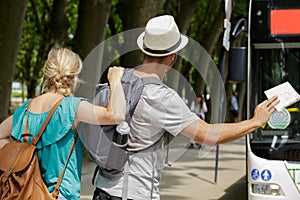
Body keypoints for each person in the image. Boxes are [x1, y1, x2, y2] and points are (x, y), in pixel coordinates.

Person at [92, 15, 279, 200]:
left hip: (102, 189)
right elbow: (209, 135)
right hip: (134, 193)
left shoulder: (118, 80)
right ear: (172, 57)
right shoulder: (161, 97)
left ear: (144, 51)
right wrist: (255, 122)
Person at [0, 47, 126, 200]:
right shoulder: (72, 108)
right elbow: (116, 115)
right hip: (59, 194)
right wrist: (115, 80)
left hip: (25, 192)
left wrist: (19, 154)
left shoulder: (25, 110)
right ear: (74, 76)